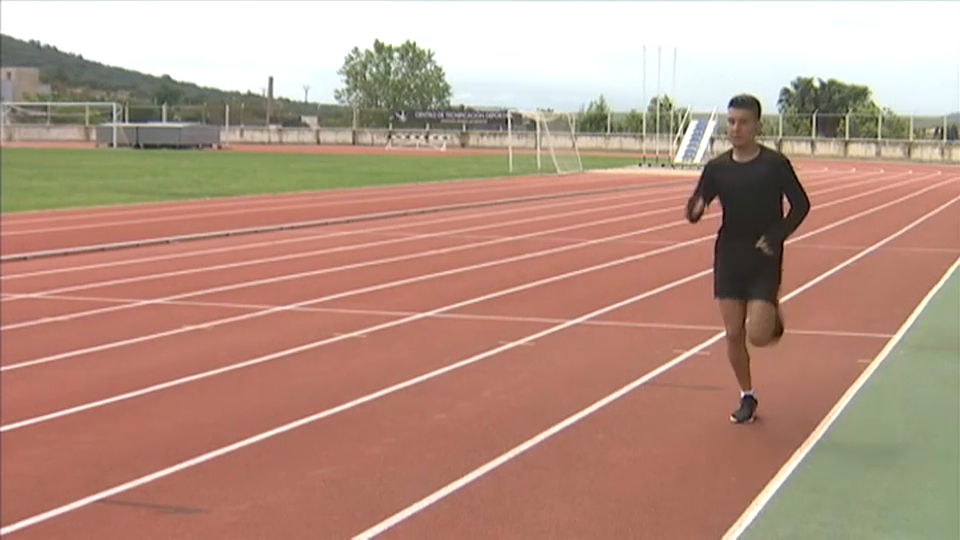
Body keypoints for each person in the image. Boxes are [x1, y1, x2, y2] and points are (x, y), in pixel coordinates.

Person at [684, 94, 811, 424]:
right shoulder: (717, 168)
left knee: (758, 335)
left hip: (763, 256)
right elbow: (697, 203)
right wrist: (695, 209)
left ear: (756, 126)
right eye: (731, 122)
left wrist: (777, 234)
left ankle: (771, 315)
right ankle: (747, 395)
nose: (735, 128)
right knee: (732, 333)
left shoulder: (774, 164)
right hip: (729, 255)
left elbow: (801, 205)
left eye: (743, 122)